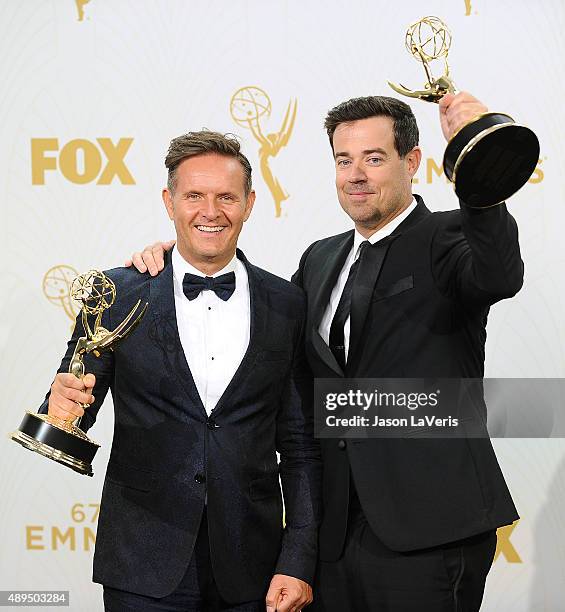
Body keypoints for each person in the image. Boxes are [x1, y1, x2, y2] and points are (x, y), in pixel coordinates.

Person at [129, 92, 523, 611]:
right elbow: (265, 327)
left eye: (374, 159)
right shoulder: (320, 258)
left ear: (413, 162)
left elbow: (499, 272)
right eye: (344, 160)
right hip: (333, 536)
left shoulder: (449, 238)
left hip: (431, 527)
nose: (356, 174)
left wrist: (480, 155)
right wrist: (176, 260)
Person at [41, 130, 321, 612]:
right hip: (142, 561)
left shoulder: (287, 303)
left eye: (226, 197)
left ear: (250, 203)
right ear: (169, 202)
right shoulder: (115, 294)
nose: (210, 212)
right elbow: (70, 417)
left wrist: (298, 556)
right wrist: (60, 408)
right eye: (194, 195)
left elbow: (298, 445)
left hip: (253, 565)